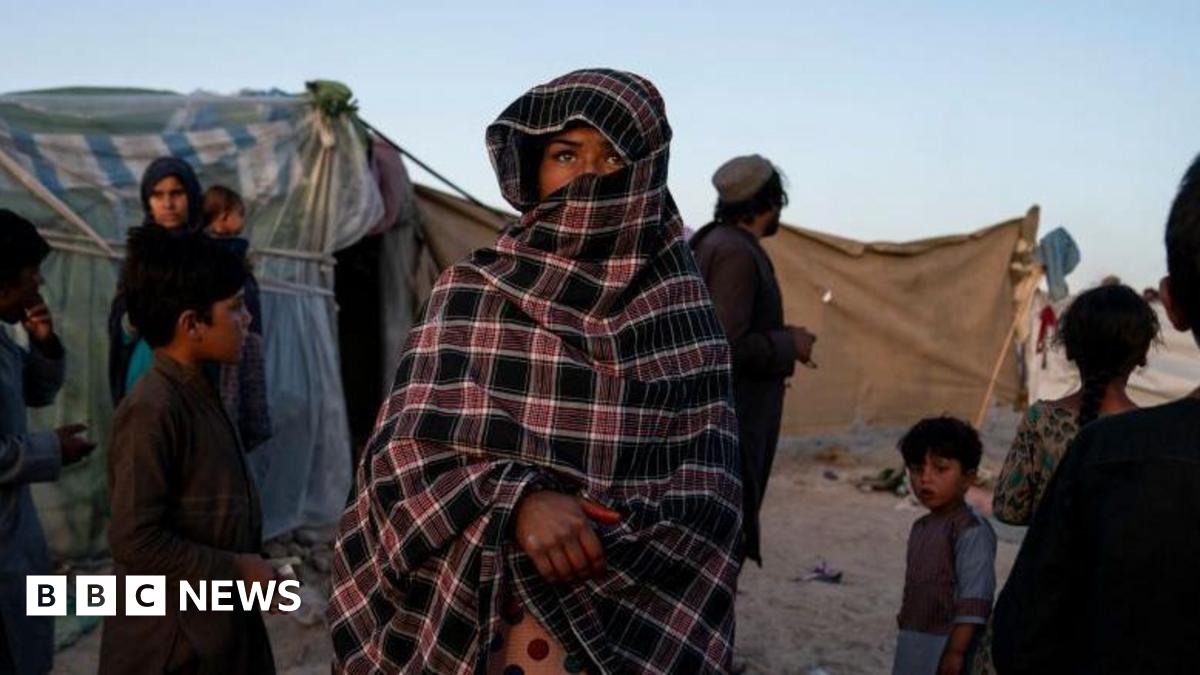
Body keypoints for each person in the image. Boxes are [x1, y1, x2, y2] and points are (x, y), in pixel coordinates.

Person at [328, 69, 742, 674]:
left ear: (646, 173)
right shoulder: (471, 293)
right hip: (484, 622)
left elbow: (714, 496)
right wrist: (517, 502)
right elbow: (401, 459)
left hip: (635, 626)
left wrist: (601, 540)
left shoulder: (681, 313)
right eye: (565, 153)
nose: (589, 176)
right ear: (531, 168)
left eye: (614, 156)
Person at [992, 154, 1200, 674]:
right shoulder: (1119, 442)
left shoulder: (1105, 449)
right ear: (1145, 352)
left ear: (1172, 303)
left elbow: (1024, 635)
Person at [99, 226, 277, 674]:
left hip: (214, 629)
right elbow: (136, 538)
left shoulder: (200, 390)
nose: (247, 318)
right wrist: (237, 569)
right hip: (172, 644)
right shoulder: (153, 409)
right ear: (192, 324)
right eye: (235, 307)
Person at [690, 155, 816, 565]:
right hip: (732, 423)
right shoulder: (736, 254)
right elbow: (727, 345)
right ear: (769, 201)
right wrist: (787, 343)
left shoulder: (717, 242)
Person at [0, 210, 94, 674]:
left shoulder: (2, 340)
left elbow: (33, 390)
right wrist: (50, 450)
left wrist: (44, 343)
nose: (39, 285)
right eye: (30, 276)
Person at [991, 283, 1159, 525]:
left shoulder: (1042, 419)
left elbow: (1008, 509)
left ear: (1069, 349)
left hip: (1048, 562)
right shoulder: (1152, 432)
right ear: (1142, 354)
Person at [893, 416, 996, 675]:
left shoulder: (971, 531)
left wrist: (955, 652)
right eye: (917, 469)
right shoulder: (921, 527)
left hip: (947, 644)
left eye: (940, 469)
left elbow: (974, 599)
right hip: (914, 638)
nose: (925, 479)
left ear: (968, 478)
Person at [108, 156, 205, 405]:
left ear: (192, 196)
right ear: (147, 201)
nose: (168, 204)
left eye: (177, 193)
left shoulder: (210, 255)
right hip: (146, 370)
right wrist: (136, 319)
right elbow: (121, 324)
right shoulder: (139, 255)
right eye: (158, 195)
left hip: (199, 375)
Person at [203, 185, 271, 451]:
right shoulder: (221, 257)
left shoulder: (231, 252)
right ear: (223, 217)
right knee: (231, 400)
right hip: (230, 342)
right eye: (239, 214)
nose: (243, 221)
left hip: (242, 338)